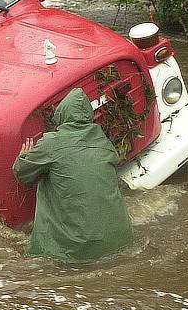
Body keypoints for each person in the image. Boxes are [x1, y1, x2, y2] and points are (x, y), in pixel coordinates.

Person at [13, 87, 133, 262]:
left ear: (62, 115)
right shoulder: (104, 143)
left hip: (77, 249)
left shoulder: (52, 142)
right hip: (121, 239)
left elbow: (22, 174)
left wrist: (23, 157)